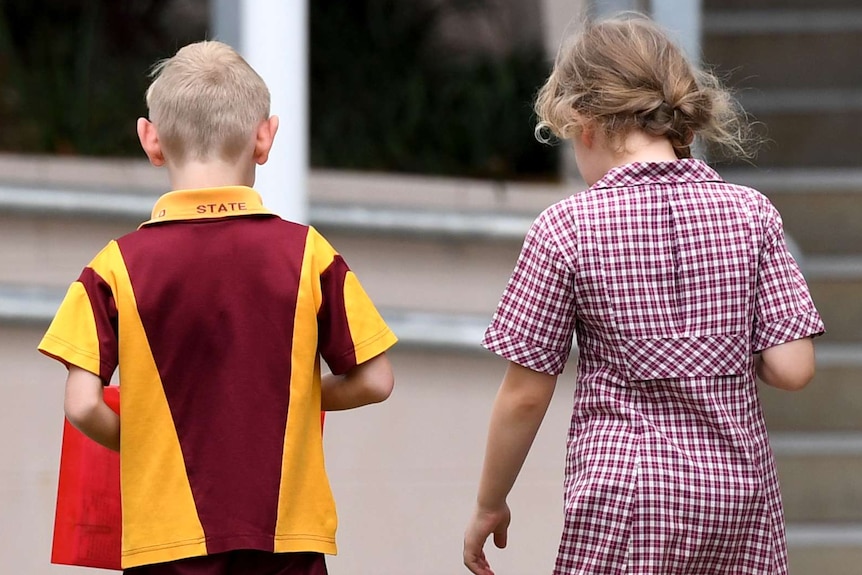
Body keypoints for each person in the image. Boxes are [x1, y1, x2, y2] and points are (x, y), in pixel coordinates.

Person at [463, 13, 823, 575]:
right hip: (738, 499)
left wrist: (490, 502)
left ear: (584, 122)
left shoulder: (567, 228)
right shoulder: (751, 215)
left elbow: (525, 395)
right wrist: (714, 350)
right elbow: (793, 368)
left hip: (625, 500)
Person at [38, 40, 397, 575]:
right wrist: (288, 397)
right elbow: (375, 381)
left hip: (166, 542)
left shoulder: (113, 267)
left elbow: (83, 404)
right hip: (285, 541)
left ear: (151, 140)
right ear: (264, 137)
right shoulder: (310, 254)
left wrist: (148, 436)